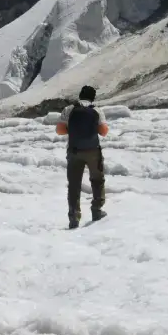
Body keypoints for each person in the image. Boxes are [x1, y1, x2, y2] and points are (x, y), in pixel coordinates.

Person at [56, 85, 109, 229]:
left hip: (74, 151)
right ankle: (97, 210)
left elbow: (59, 130)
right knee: (97, 180)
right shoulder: (97, 110)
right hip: (93, 151)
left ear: (80, 96)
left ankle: (74, 218)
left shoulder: (69, 109)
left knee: (74, 184)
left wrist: (73, 130)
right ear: (93, 97)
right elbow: (104, 132)